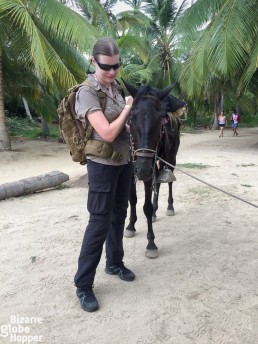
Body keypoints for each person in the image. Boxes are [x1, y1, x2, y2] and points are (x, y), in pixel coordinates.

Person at [74, 37, 135, 312]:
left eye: (116, 66)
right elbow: (108, 133)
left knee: (119, 216)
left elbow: (123, 129)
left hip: (123, 162)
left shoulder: (116, 87)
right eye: (106, 67)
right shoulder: (87, 92)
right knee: (98, 223)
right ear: (93, 61)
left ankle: (114, 262)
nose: (112, 72)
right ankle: (83, 285)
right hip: (101, 165)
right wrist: (127, 109)